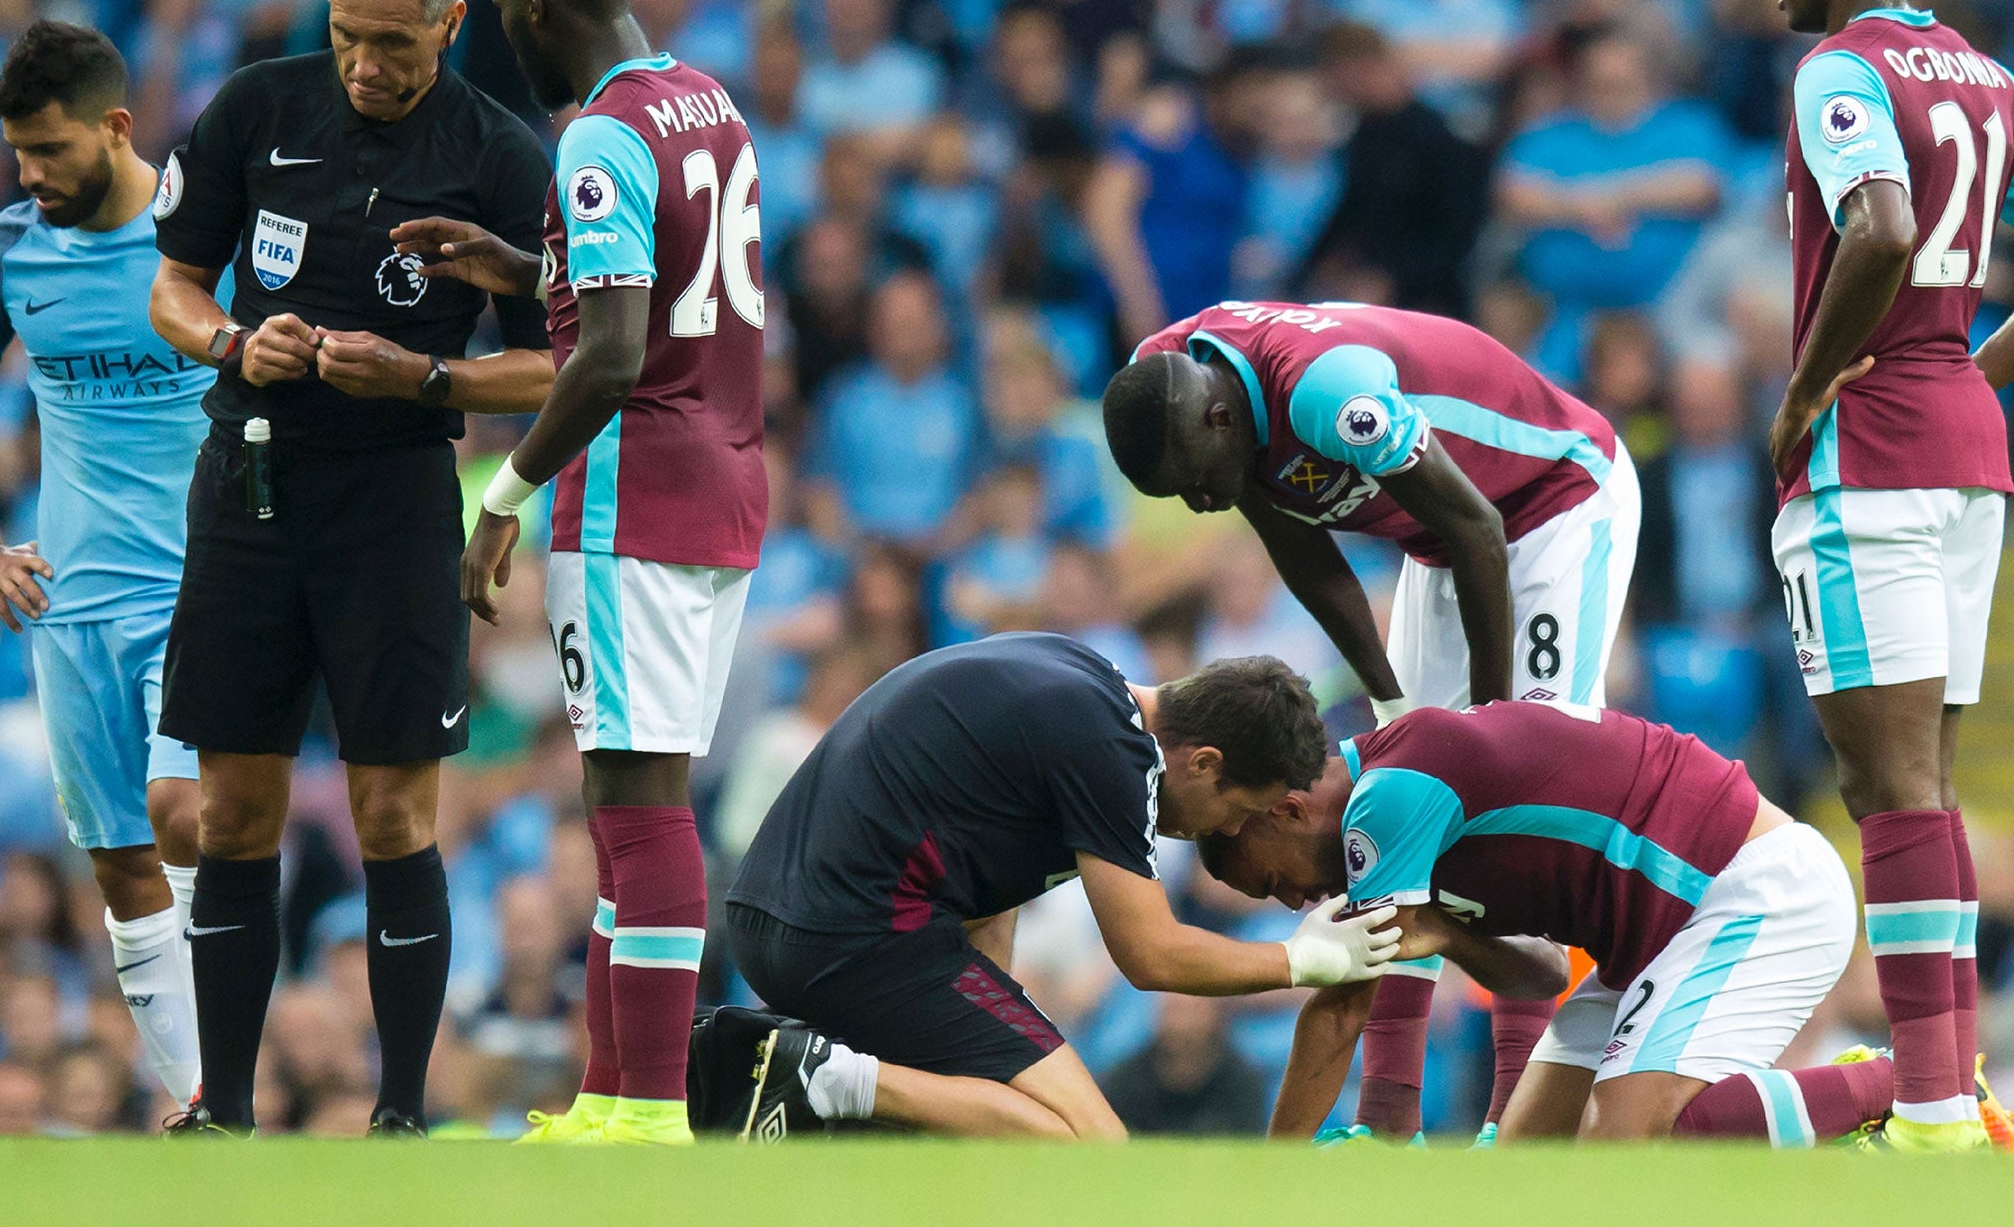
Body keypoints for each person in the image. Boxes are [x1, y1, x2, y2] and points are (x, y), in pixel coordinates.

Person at [147, 0, 555, 1137]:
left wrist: (424, 380)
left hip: (391, 509)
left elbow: (557, 364)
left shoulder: (499, 154)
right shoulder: (256, 109)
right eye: (344, 36)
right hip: (250, 491)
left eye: (392, 43)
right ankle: (223, 1107)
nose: (365, 65)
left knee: (391, 812)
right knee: (234, 809)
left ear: (449, 22)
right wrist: (231, 340)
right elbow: (171, 284)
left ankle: (397, 1113)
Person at [390, 0, 765, 1147]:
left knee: (641, 807)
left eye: (502, 7)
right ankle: (611, 1098)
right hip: (723, 478)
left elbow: (606, 360)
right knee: (631, 804)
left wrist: (499, 498)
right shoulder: (704, 100)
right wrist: (522, 267)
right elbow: (661, 299)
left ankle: (647, 1113)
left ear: (537, 2)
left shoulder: (596, 139)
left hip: (631, 500)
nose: (504, 30)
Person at [1101, 299, 1640, 1138]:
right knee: (1390, 803)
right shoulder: (1170, 382)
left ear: (1220, 415)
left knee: (1520, 797)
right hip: (1439, 542)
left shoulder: (1328, 394)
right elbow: (1305, 554)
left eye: (1200, 479)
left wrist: (1490, 735)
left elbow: (1480, 527)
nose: (1206, 502)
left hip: (1550, 504)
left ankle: (1513, 1117)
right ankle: (1389, 1125)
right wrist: (1390, 698)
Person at [725, 636, 1403, 1140]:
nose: (1223, 831)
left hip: (790, 919)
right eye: (1235, 809)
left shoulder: (1081, 684)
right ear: (1204, 762)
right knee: (1092, 1146)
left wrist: (987, 1060)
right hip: (857, 931)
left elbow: (987, 889)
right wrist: (1305, 958)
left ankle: (814, 1102)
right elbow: (1151, 955)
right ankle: (812, 1074)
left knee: (979, 1125)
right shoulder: (1115, 752)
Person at [1769, 0, 2014, 1152]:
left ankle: (1926, 1110)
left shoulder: (1841, 69)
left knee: (1889, 788)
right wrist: (1971, 365)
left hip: (1870, 451)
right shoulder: (1990, 77)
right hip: (1971, 451)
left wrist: (1805, 392)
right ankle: (1951, 1092)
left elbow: (1878, 226)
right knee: (1927, 787)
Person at [1199, 698, 1906, 1147]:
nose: (1295, 901)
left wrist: (1276, 1172)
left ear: (1287, 809)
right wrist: (1451, 934)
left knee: (1636, 1136)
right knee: (1525, 1174)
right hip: (1652, 944)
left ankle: (1910, 1087)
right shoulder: (1398, 797)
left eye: (1270, 879)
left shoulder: (1387, 799)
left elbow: (1340, 1007)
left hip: (1746, 883)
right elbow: (1539, 974)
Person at [0, 21, 207, 1107]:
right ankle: (207, 1102)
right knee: (119, 865)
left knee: (187, 812)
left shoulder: (211, 234)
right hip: (70, 606)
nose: (30, 175)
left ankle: (232, 1072)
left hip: (206, 588)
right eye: (17, 153)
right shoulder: (10, 251)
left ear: (117, 127)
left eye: (50, 150)